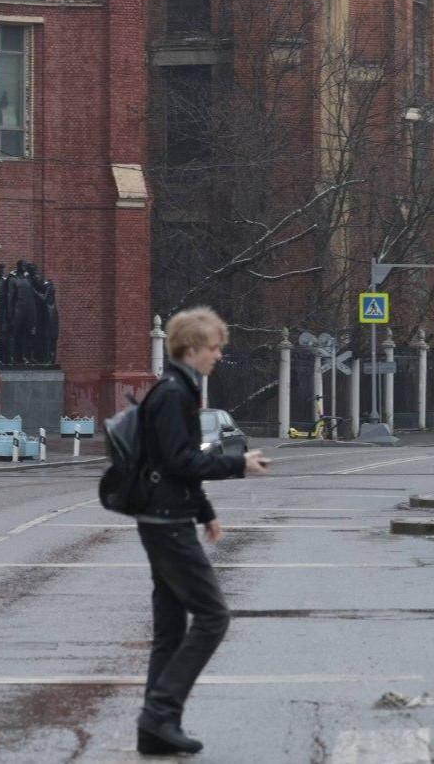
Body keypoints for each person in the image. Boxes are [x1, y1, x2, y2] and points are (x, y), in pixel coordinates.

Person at [132, 306, 269, 756]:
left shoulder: (177, 390)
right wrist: (237, 464)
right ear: (191, 349)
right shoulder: (174, 394)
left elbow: (175, 461)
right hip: (167, 523)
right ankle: (159, 712)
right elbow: (179, 460)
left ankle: (156, 729)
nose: (218, 355)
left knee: (171, 629)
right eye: (213, 348)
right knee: (213, 617)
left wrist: (206, 511)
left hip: (164, 517)